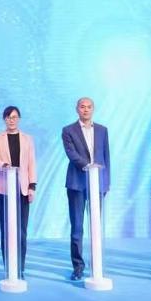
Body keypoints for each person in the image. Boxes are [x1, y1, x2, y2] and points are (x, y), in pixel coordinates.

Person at [62, 97, 110, 281]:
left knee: (96, 226)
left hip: (98, 184)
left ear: (93, 109)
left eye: (89, 107)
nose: (86, 110)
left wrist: (106, 182)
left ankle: (96, 265)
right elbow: (71, 153)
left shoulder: (102, 130)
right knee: (77, 227)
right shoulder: (68, 130)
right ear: (77, 109)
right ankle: (78, 267)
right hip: (77, 183)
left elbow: (106, 157)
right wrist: (88, 166)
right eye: (82, 107)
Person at [0, 106, 36, 278]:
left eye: (15, 117)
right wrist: (4, 166)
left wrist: (32, 186)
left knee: (21, 231)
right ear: (4, 119)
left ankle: (20, 268)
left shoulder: (27, 139)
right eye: (9, 117)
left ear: (19, 119)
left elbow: (31, 163)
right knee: (6, 230)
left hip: (23, 189)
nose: (12, 120)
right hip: (4, 189)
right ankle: (8, 268)